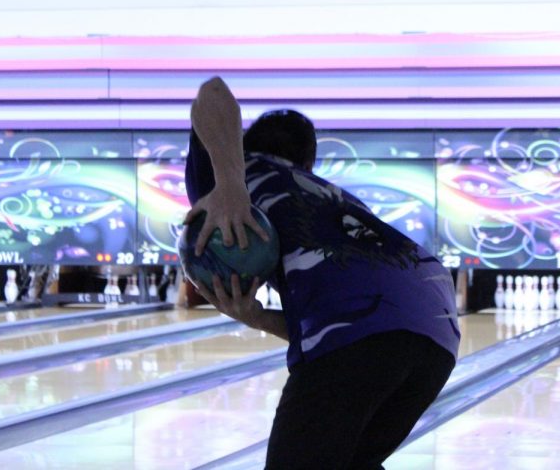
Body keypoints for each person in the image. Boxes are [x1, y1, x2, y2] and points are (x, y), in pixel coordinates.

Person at [183, 76, 460, 469]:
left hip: (360, 333)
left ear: (241, 144)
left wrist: (229, 183)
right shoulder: (333, 195)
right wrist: (257, 316)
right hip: (437, 329)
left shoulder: (226, 173)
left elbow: (212, 90)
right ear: (309, 163)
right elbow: (364, 316)